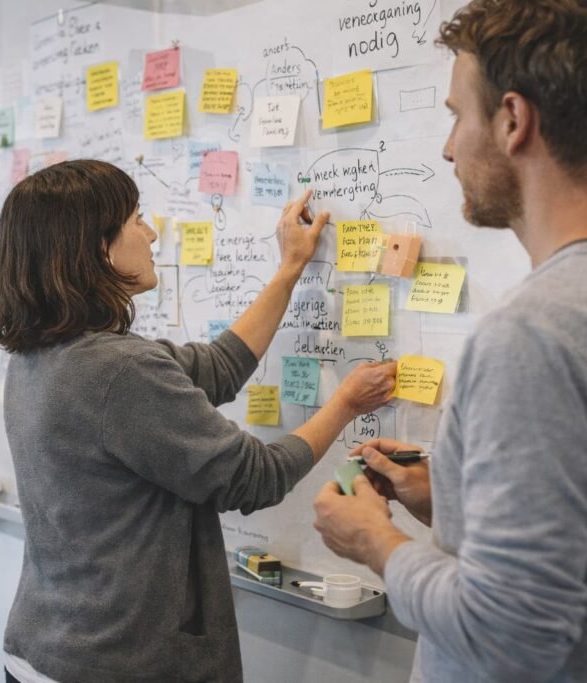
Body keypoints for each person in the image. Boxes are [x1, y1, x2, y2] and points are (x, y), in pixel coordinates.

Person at [0, 159, 398, 683]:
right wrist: (345, 404)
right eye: (136, 220)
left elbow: (219, 367)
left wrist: (290, 268)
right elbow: (256, 477)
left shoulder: (42, 355)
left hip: (46, 649)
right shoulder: (119, 370)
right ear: (97, 247)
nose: (152, 233)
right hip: (117, 663)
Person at [312, 1, 587, 681]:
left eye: (457, 115)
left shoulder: (532, 331)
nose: (447, 147)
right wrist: (453, 502)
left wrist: (375, 542)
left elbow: (512, 633)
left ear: (514, 120)